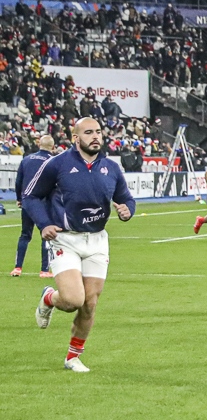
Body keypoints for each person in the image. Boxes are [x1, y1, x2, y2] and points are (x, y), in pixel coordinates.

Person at [26, 118, 136, 372]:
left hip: (97, 240)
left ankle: (73, 357)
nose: (95, 136)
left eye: (98, 132)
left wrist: (127, 211)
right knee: (73, 299)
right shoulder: (57, 164)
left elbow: (126, 198)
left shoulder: (111, 167)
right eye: (88, 132)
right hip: (65, 239)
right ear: (75, 138)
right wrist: (44, 224)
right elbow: (31, 196)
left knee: (90, 303)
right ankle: (49, 298)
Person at [11, 135, 55, 278]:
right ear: (53, 147)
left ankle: (17, 268)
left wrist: (19, 199)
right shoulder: (53, 161)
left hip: (28, 202)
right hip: (44, 203)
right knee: (46, 235)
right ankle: (44, 270)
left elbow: (18, 181)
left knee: (25, 235)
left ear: (39, 145)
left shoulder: (27, 159)